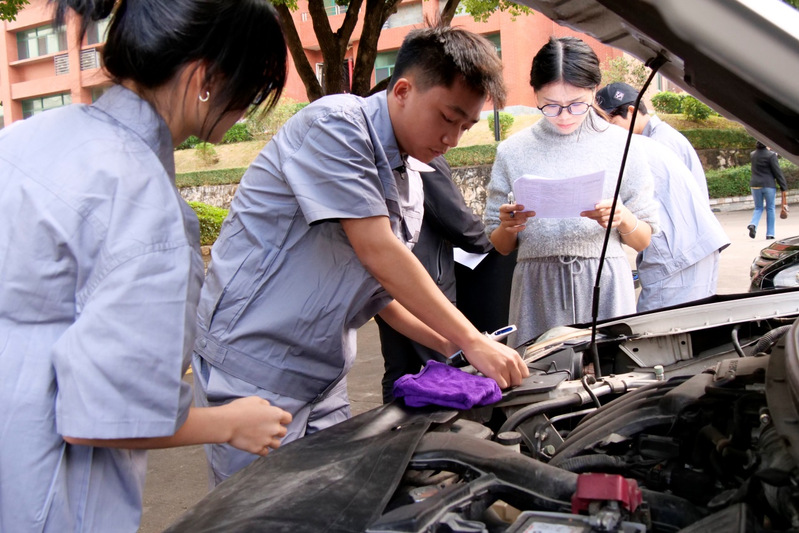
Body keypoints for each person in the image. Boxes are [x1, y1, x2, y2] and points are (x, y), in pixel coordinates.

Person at [0, 1, 294, 531]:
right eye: (250, 91)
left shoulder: (26, 138)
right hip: (48, 493)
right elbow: (103, 416)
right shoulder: (146, 203)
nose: (246, 110)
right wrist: (230, 423)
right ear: (206, 79)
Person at [192, 24, 529, 486]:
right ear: (403, 91)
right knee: (262, 508)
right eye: (447, 118)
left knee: (333, 505)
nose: (452, 138)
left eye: (466, 126)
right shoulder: (335, 125)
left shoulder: (409, 177)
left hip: (322, 376)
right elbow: (378, 251)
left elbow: (381, 293)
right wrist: (471, 339)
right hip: (256, 368)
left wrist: (450, 344)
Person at [484, 36, 659, 347]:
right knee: (540, 371)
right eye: (550, 105)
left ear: (594, 90)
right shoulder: (513, 151)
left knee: (609, 370)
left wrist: (622, 217)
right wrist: (508, 226)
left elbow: (643, 239)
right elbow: (501, 245)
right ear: (535, 93)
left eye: (577, 104)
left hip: (604, 284)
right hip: (536, 288)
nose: (564, 116)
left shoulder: (623, 145)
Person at [595, 87, 731, 311]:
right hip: (691, 248)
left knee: (664, 327)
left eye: (610, 124)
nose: (606, 133)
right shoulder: (655, 139)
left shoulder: (654, 143)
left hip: (679, 254)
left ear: (631, 112)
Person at [374, 155, 494, 403]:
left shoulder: (381, 155)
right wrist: (490, 241)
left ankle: (394, 425)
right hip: (426, 281)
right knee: (448, 368)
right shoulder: (423, 155)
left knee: (399, 368)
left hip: (387, 283)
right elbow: (457, 219)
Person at [596, 82, 709, 199]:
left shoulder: (660, 143)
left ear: (632, 112)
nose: (611, 132)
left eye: (613, 124)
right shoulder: (655, 137)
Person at [748, 141, 788, 239]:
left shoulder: (753, 154)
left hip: (755, 185)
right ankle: (770, 234)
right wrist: (783, 186)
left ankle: (753, 224)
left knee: (758, 208)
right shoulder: (771, 155)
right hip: (768, 185)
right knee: (770, 208)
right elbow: (777, 172)